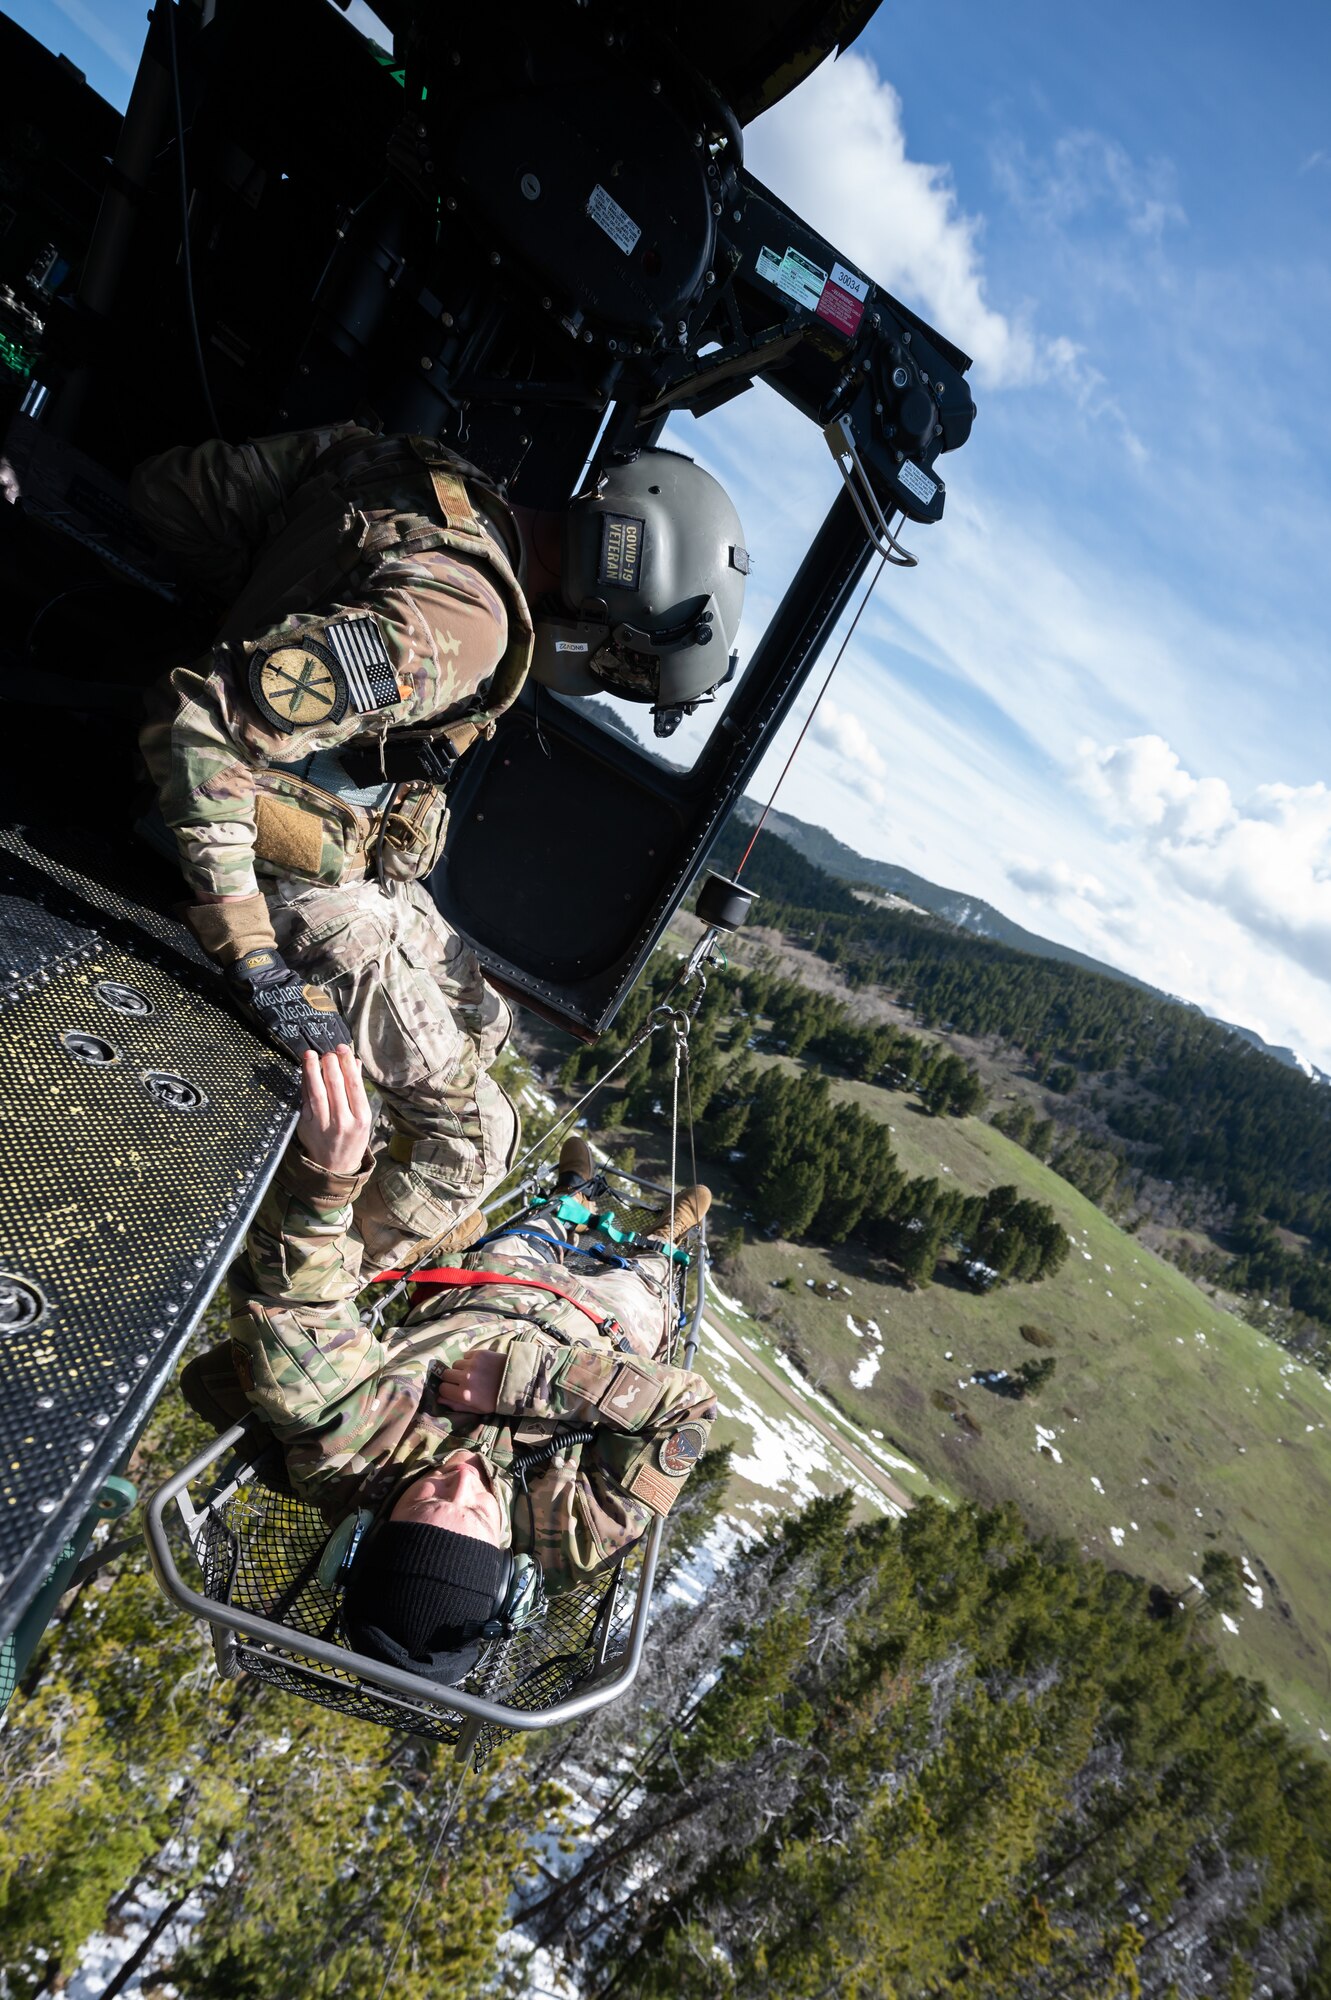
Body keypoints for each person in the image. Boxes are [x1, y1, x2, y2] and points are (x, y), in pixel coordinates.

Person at [135, 424, 747, 1273]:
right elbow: (203, 724)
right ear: (602, 601)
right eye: (615, 658)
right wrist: (252, 955)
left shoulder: (413, 470)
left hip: (341, 850)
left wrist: (250, 612)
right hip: (277, 874)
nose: (597, 671)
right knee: (475, 1142)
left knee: (487, 1018)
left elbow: (174, 489)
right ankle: (285, 1296)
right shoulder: (466, 625)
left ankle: (359, 1148)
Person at [214, 1044, 716, 1686]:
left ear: (362, 1534)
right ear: (513, 1576)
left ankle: (572, 1197)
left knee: (533, 1230)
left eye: (426, 1496)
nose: (462, 1475)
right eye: (479, 1514)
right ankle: (663, 1236)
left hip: (488, 1284)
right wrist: (527, 1382)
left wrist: (325, 1180)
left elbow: (288, 1306)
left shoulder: (347, 1451)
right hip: (607, 1329)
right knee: (647, 1276)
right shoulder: (573, 1540)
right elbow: (687, 1409)